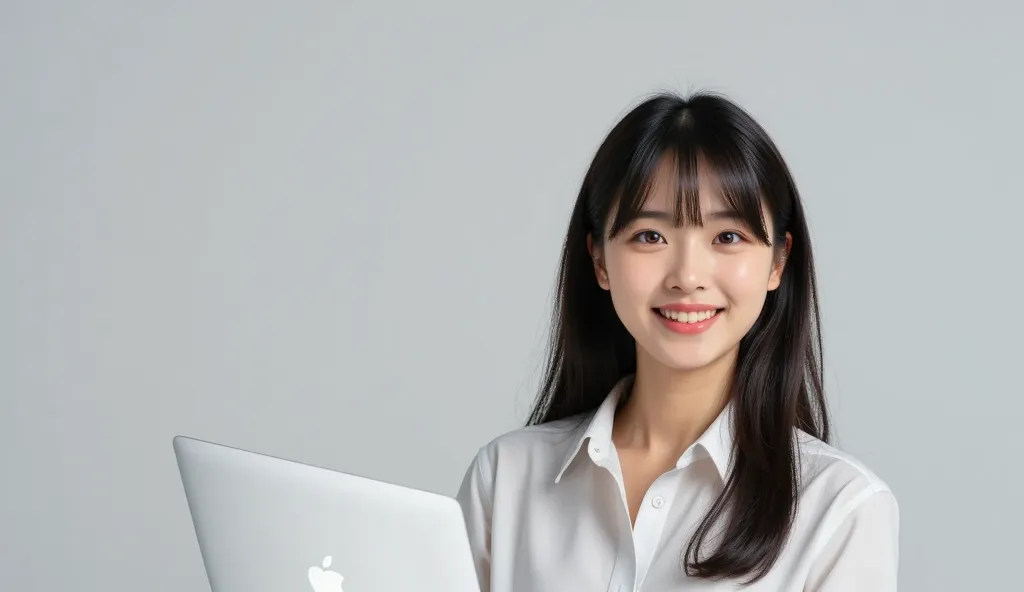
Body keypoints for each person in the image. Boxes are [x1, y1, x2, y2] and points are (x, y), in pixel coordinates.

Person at [455, 90, 900, 591]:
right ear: (600, 260)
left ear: (778, 261)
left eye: (727, 237)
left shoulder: (839, 509)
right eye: (650, 236)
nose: (688, 276)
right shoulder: (505, 479)